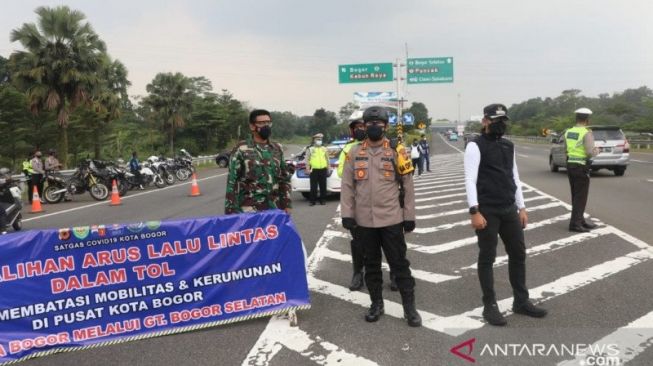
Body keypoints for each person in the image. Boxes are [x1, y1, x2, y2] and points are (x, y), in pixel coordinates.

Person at [464, 103, 547, 326]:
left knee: (518, 254)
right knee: (487, 257)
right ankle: (489, 305)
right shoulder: (475, 146)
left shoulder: (508, 146)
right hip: (487, 210)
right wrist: (474, 210)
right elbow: (470, 179)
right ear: (485, 121)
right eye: (495, 120)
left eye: (503, 120)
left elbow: (515, 177)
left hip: (509, 208)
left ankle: (521, 301)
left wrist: (522, 207)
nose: (500, 124)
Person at [340, 106, 421, 327]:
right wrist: (347, 214)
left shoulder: (397, 150)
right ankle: (376, 303)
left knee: (400, 265)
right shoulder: (354, 152)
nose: (374, 127)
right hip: (364, 222)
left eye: (379, 124)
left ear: (385, 126)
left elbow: (407, 184)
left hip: (392, 220)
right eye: (370, 123)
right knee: (371, 266)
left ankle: (409, 308)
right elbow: (347, 186)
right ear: (364, 126)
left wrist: (409, 215)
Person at [224, 109, 292, 214]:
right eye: (261, 123)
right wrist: (230, 212)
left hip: (275, 208)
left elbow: (284, 178)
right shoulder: (241, 148)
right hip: (250, 210)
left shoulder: (277, 148)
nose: (266, 126)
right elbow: (232, 182)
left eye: (268, 122)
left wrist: (287, 204)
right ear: (252, 126)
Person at [337, 111, 367, 290]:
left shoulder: (384, 145)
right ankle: (358, 272)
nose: (362, 130)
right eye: (357, 127)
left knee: (389, 240)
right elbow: (341, 171)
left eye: (364, 126)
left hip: (382, 202)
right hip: (357, 202)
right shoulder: (348, 149)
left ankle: (395, 273)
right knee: (358, 240)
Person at [563, 108, 599, 233]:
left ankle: (580, 220)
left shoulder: (569, 131)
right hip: (581, 166)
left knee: (576, 195)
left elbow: (566, 149)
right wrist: (597, 150)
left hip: (570, 165)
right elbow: (590, 152)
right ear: (587, 120)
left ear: (576, 118)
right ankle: (575, 224)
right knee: (581, 197)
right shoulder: (586, 132)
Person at [305, 133, 330, 206]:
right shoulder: (310, 149)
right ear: (314, 140)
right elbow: (307, 159)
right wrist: (307, 168)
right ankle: (312, 201)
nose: (319, 141)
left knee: (323, 186)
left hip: (323, 169)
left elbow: (327, 159)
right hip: (314, 170)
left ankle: (323, 200)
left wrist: (329, 168)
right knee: (313, 186)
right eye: (318, 139)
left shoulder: (324, 149)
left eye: (321, 139)